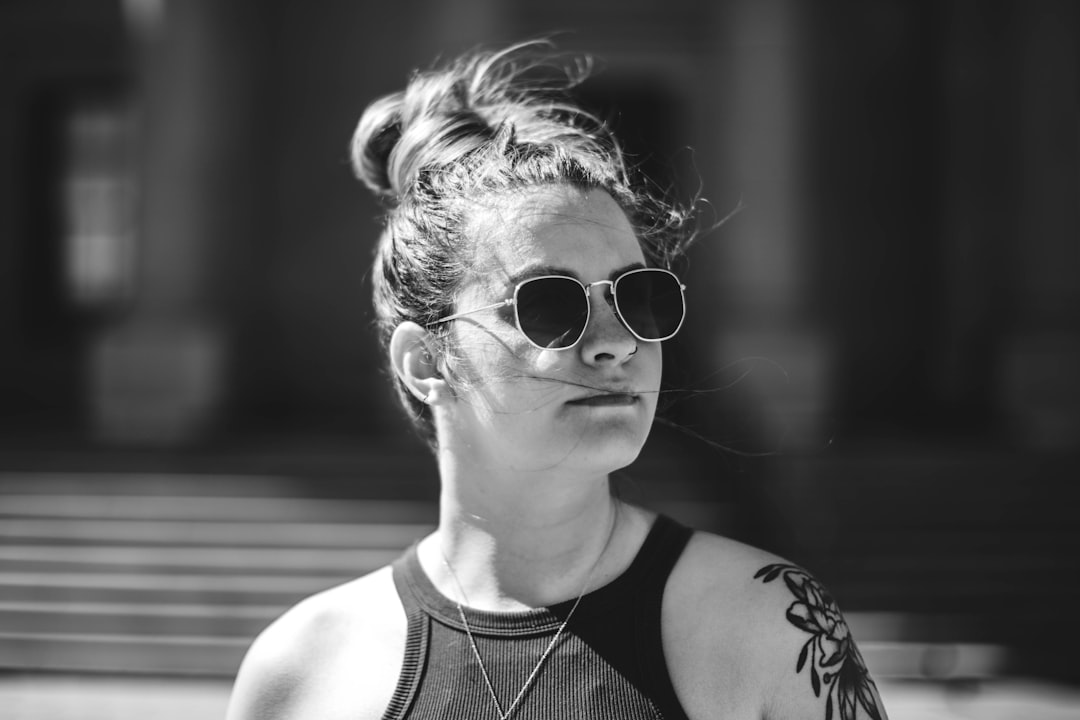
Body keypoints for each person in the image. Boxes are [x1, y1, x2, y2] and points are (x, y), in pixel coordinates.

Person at [225, 41, 888, 720]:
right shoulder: (303, 672)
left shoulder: (775, 629)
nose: (614, 343)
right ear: (426, 362)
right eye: (548, 306)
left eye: (640, 298)